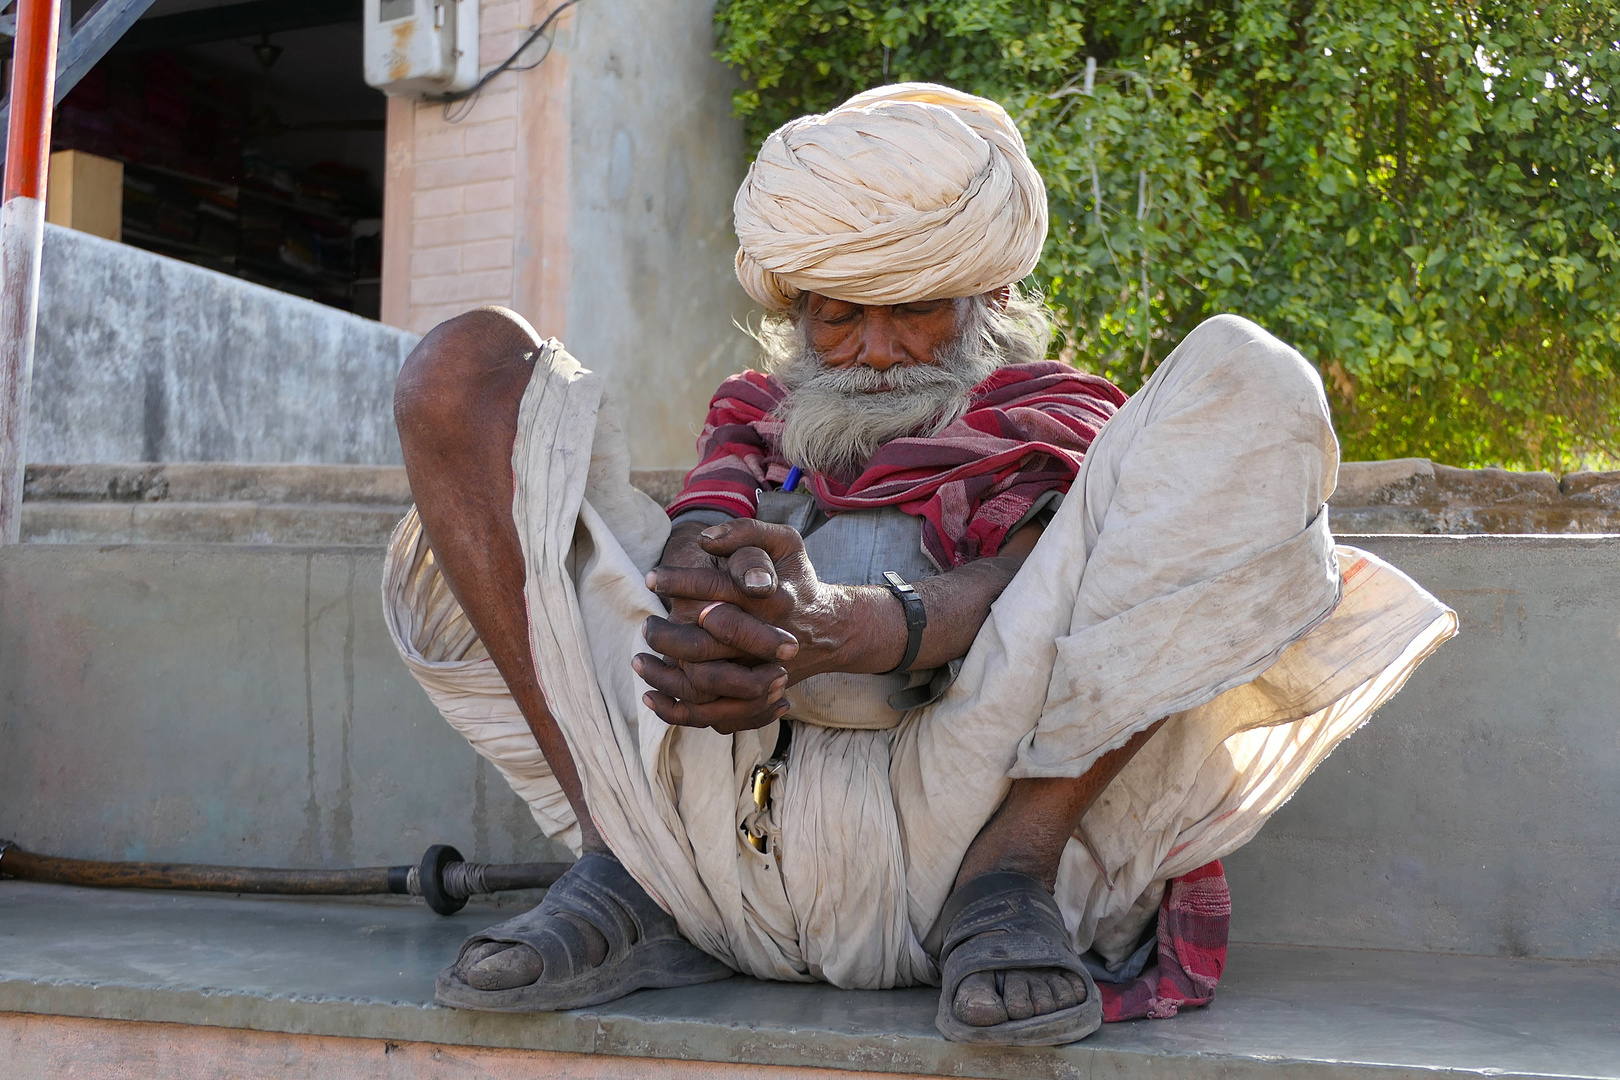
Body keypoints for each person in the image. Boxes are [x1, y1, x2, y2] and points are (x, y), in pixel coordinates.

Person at [383, 83, 1455, 1046]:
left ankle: (1013, 879)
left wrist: (851, 626)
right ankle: (617, 867)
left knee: (1251, 375)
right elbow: (692, 541)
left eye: (915, 309)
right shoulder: (757, 415)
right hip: (693, 830)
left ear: (988, 301)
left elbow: (1041, 589)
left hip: (964, 831)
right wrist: (716, 614)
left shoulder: (1054, 410)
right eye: (839, 316)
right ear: (796, 314)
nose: (878, 350)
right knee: (466, 365)